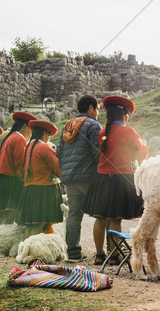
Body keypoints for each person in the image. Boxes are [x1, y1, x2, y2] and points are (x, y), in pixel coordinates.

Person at [82, 96, 147, 266]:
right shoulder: (128, 132)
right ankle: (114, 256)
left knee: (100, 218)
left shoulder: (104, 132)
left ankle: (99, 255)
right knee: (115, 218)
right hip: (121, 179)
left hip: (101, 178)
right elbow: (141, 154)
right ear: (124, 115)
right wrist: (144, 145)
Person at [56, 95, 102, 262]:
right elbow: (97, 151)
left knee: (74, 214)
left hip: (70, 178)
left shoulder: (68, 125)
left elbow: (58, 152)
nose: (98, 112)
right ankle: (104, 253)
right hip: (89, 177)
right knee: (101, 214)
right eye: (97, 108)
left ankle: (73, 253)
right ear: (90, 108)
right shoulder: (93, 124)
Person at [0, 111, 38, 224]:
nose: (32, 132)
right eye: (31, 128)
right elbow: (20, 164)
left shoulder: (10, 137)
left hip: (3, 181)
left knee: (1, 219)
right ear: (25, 126)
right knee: (9, 218)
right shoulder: (20, 139)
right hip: (11, 182)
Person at [17, 120, 63, 238]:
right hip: (44, 191)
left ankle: (25, 251)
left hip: (30, 189)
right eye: (48, 135)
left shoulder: (29, 146)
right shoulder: (44, 148)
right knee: (39, 224)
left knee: (31, 225)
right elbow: (58, 169)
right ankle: (33, 254)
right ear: (44, 134)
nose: (48, 138)